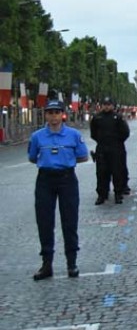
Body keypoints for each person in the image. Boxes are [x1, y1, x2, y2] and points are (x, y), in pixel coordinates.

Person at [28, 100, 89, 281]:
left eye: (56, 112)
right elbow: (32, 157)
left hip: (67, 180)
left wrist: (64, 164)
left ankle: (72, 263)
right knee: (44, 222)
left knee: (70, 221)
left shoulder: (74, 135)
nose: (53, 116)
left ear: (63, 114)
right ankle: (47, 264)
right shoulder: (37, 136)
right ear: (45, 115)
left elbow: (83, 156)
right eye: (50, 112)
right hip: (45, 180)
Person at [90, 97, 130, 205]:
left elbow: (125, 132)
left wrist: (117, 142)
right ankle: (102, 195)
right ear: (102, 105)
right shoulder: (96, 117)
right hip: (102, 148)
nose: (106, 106)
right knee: (101, 172)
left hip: (116, 148)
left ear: (112, 105)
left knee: (117, 172)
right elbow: (93, 133)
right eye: (105, 104)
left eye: (109, 104)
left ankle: (118, 194)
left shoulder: (118, 117)